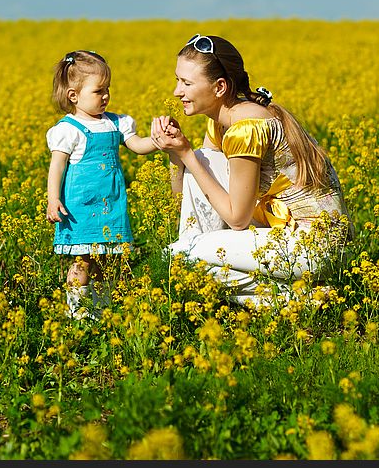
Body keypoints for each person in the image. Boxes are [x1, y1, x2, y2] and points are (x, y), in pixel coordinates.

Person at [151, 34, 352, 305]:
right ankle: (292, 295)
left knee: (179, 259)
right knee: (203, 162)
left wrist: (187, 155)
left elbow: (237, 219)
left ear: (220, 87)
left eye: (186, 83)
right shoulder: (223, 121)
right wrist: (178, 156)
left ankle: (295, 300)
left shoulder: (246, 127)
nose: (177, 91)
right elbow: (187, 197)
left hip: (312, 247)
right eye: (177, 80)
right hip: (279, 232)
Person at [46, 50, 160, 318]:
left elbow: (137, 145)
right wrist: (53, 199)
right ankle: (78, 314)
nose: (106, 96)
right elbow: (57, 168)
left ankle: (101, 312)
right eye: (99, 91)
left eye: (108, 89)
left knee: (107, 262)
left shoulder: (116, 123)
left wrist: (158, 141)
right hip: (80, 210)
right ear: (74, 96)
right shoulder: (68, 129)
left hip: (111, 204)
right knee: (83, 261)